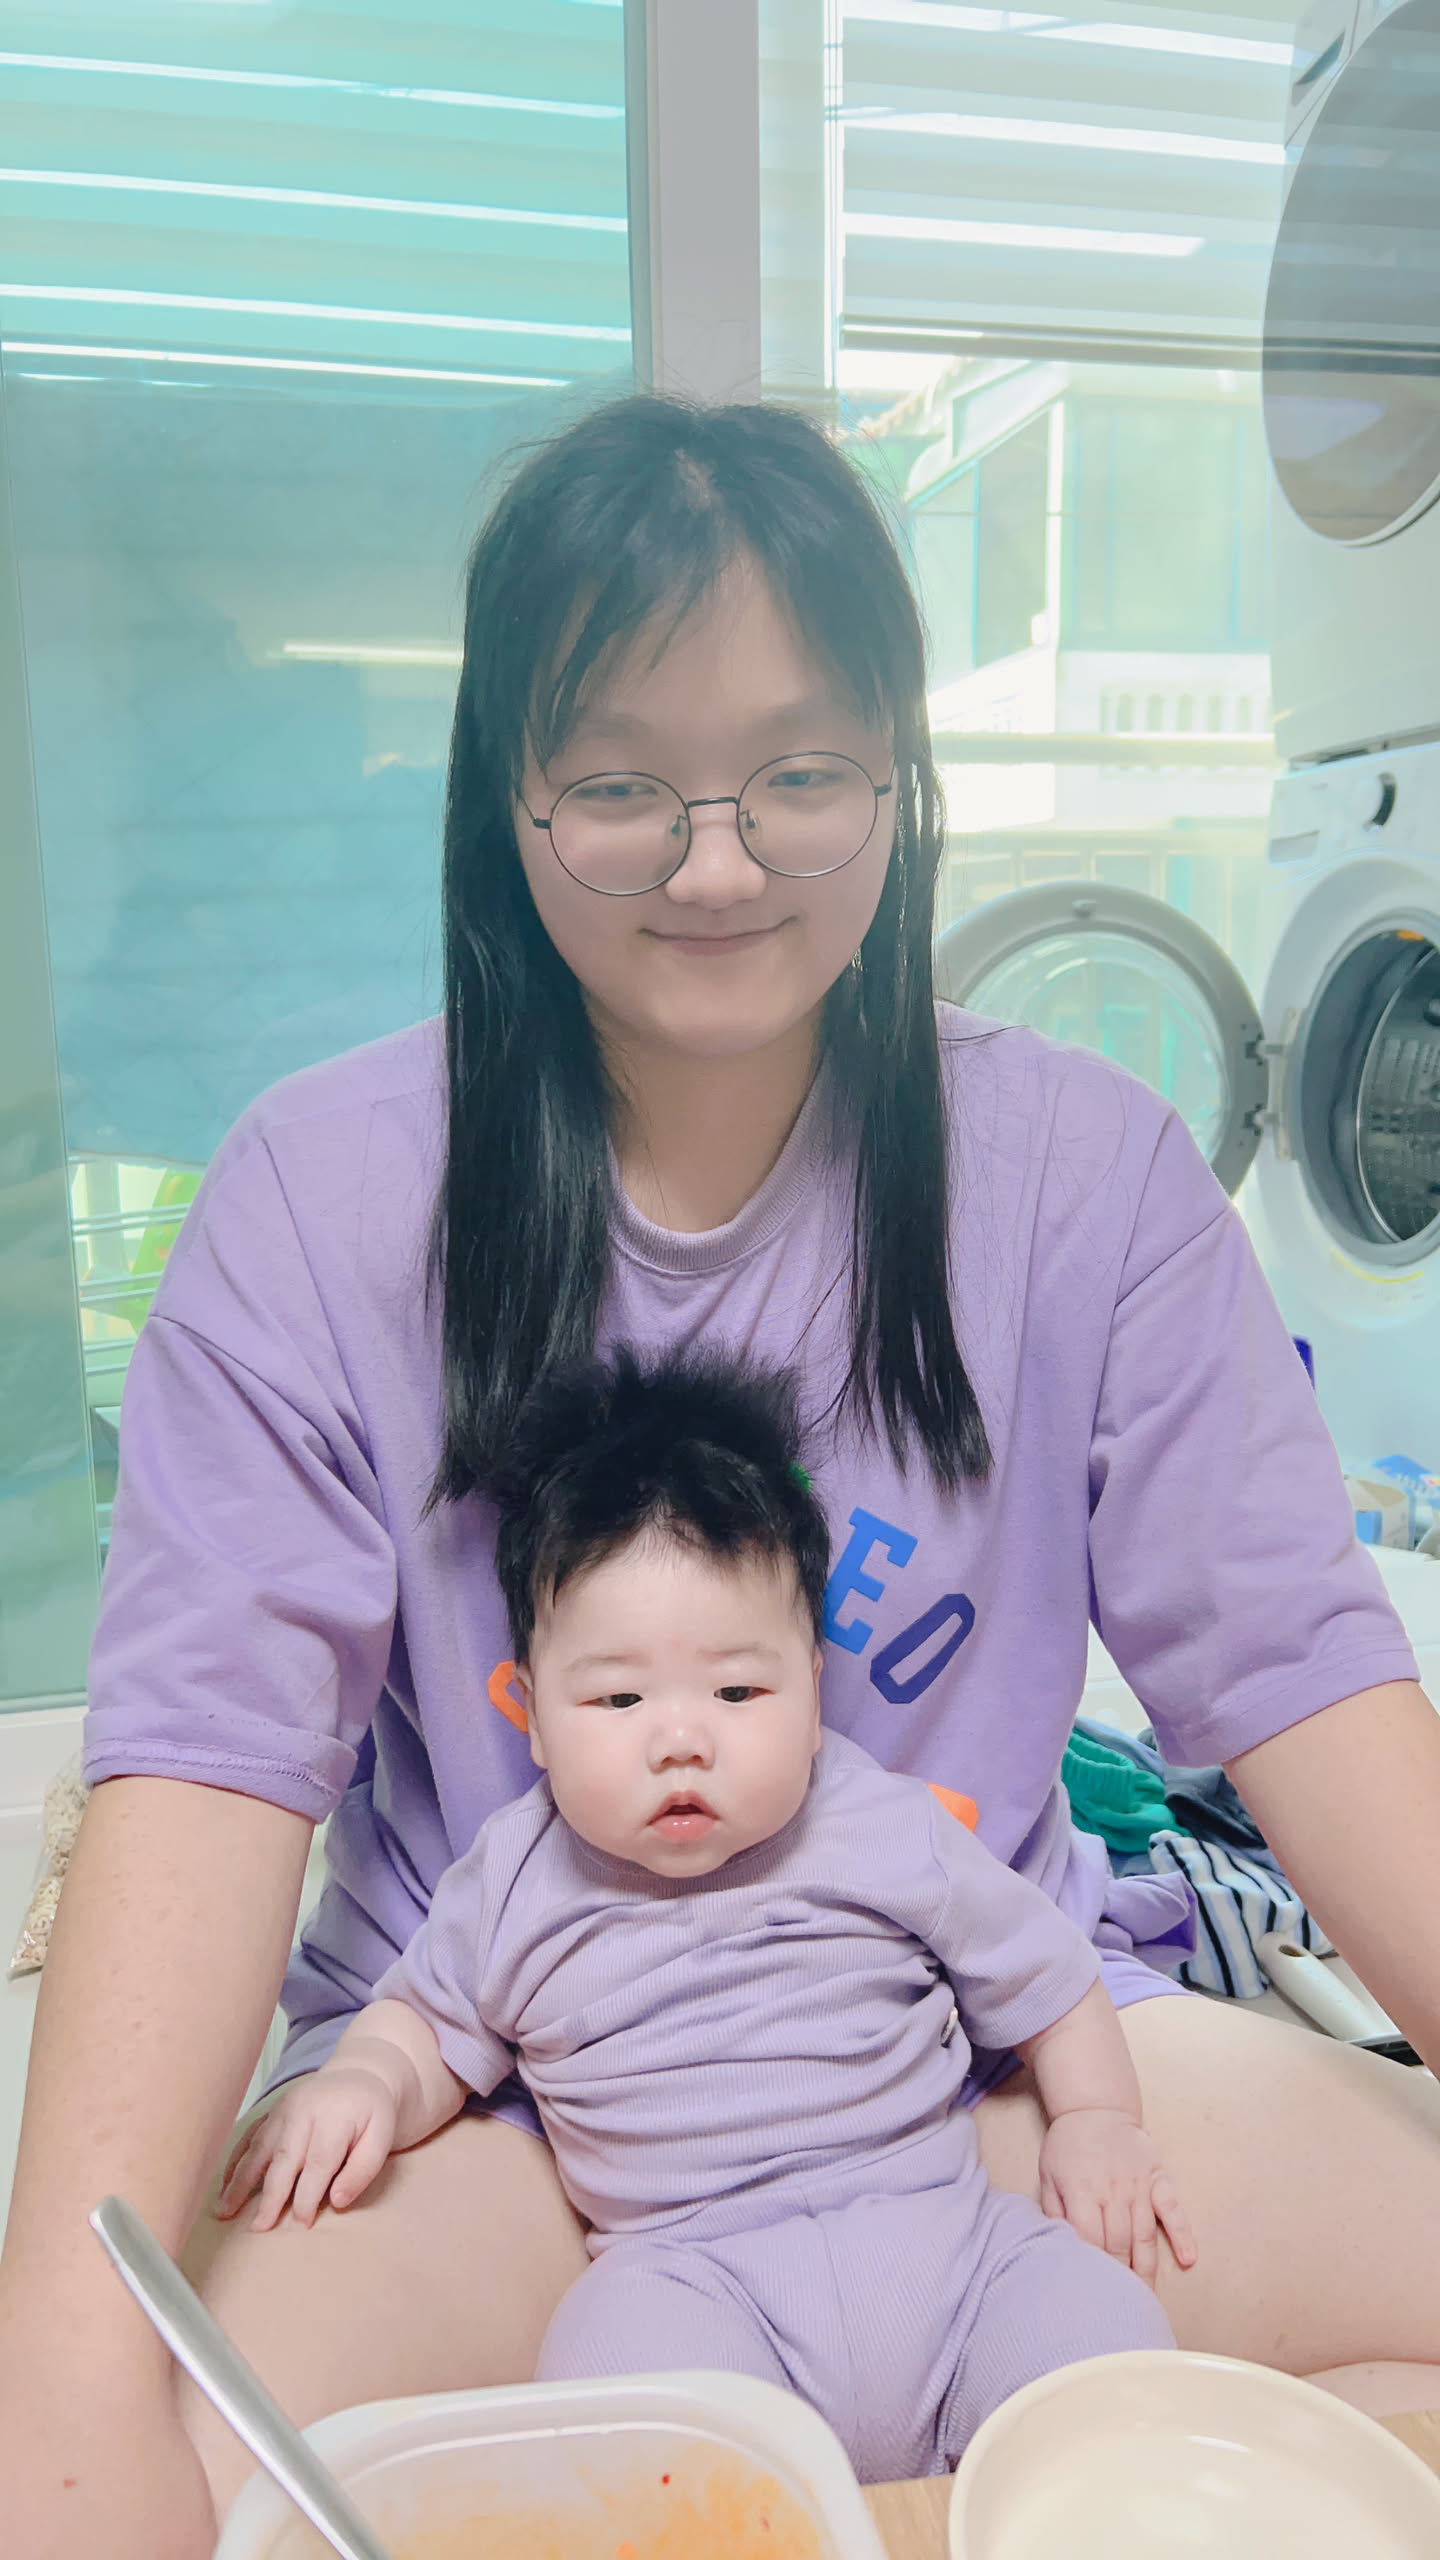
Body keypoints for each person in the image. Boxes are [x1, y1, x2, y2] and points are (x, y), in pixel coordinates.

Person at [4, 396, 1440, 2560]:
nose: (717, 860)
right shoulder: (318, 1203)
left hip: (962, 2070)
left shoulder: (1086, 1173)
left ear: (900, 772)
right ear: (506, 795)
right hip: (510, 2115)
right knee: (176, 2487)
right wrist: (56, 2360)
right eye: (619, 785)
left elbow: (1304, 1677)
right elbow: (205, 1767)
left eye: (798, 771)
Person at [216, 1351, 1191, 2482]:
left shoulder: (881, 1824)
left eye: (737, 1691)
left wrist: (1096, 2119)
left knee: (1109, 2344)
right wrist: (365, 2083)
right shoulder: (517, 1879)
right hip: (693, 2279)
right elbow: (422, 2028)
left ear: (813, 1691)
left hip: (957, 2257)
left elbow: (1050, 1977)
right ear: (532, 1716)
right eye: (618, 1697)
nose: (681, 1738)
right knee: (608, 2392)